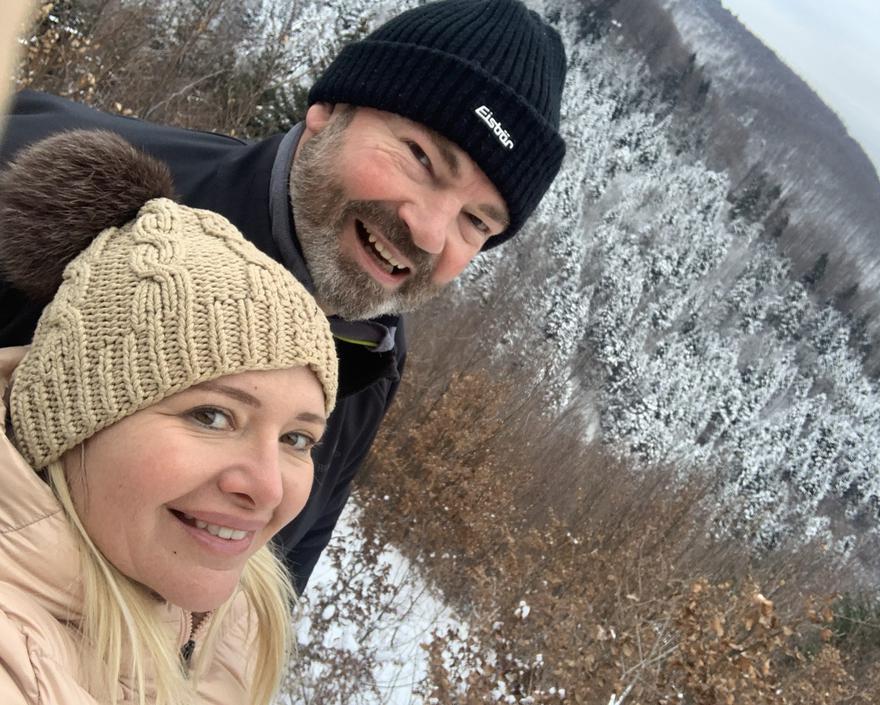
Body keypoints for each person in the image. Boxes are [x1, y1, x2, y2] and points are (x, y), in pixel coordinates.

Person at [0, 0, 568, 593]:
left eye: (476, 221)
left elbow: (278, 582)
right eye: (421, 158)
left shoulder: (371, 354)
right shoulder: (63, 182)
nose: (429, 233)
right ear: (329, 111)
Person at [0, 131, 339, 704]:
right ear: (73, 419)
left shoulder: (237, 616)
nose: (268, 488)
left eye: (297, 438)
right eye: (212, 415)